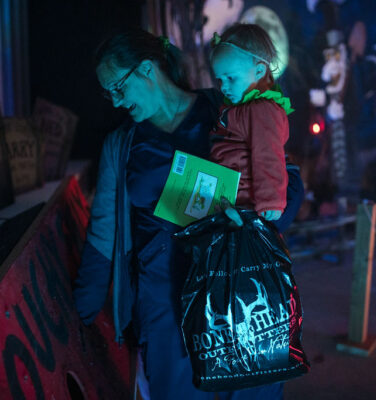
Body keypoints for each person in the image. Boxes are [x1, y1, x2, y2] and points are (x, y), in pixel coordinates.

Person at [73, 28, 303, 400]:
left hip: (239, 289)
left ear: (147, 69)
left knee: (252, 388)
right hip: (164, 301)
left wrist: (259, 224)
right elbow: (103, 234)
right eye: (108, 92)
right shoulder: (122, 144)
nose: (115, 101)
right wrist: (76, 318)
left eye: (118, 86)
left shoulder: (226, 108)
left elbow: (283, 176)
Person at [209, 24, 293, 223]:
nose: (224, 87)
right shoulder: (241, 107)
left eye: (231, 78)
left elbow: (268, 154)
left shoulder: (262, 110)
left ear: (259, 71)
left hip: (247, 202)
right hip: (230, 195)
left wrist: (271, 201)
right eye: (220, 80)